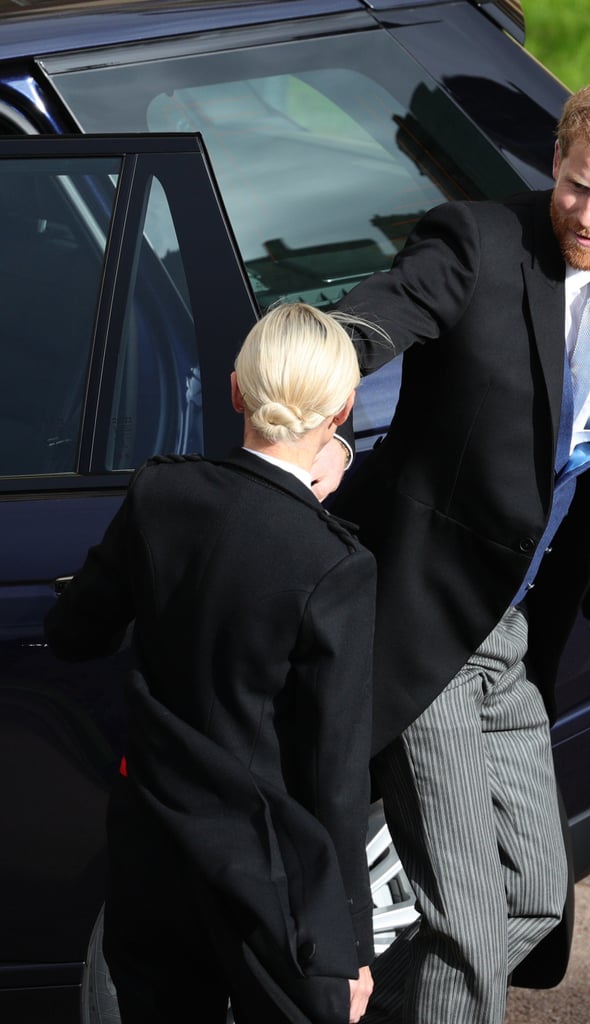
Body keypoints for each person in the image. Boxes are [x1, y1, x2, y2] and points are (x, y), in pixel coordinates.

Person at [330, 74, 590, 1023]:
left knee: (532, 898)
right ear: (555, 165)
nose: (585, 212)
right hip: (421, 624)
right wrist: (319, 361)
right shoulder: (479, 244)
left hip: (509, 637)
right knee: (468, 924)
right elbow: (386, 310)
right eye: (572, 183)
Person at [44, 303, 377, 1024]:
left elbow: (75, 635)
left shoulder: (160, 494)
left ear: (234, 391)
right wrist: (346, 941)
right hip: (264, 865)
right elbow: (335, 772)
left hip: (151, 837)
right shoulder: (333, 563)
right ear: (343, 411)